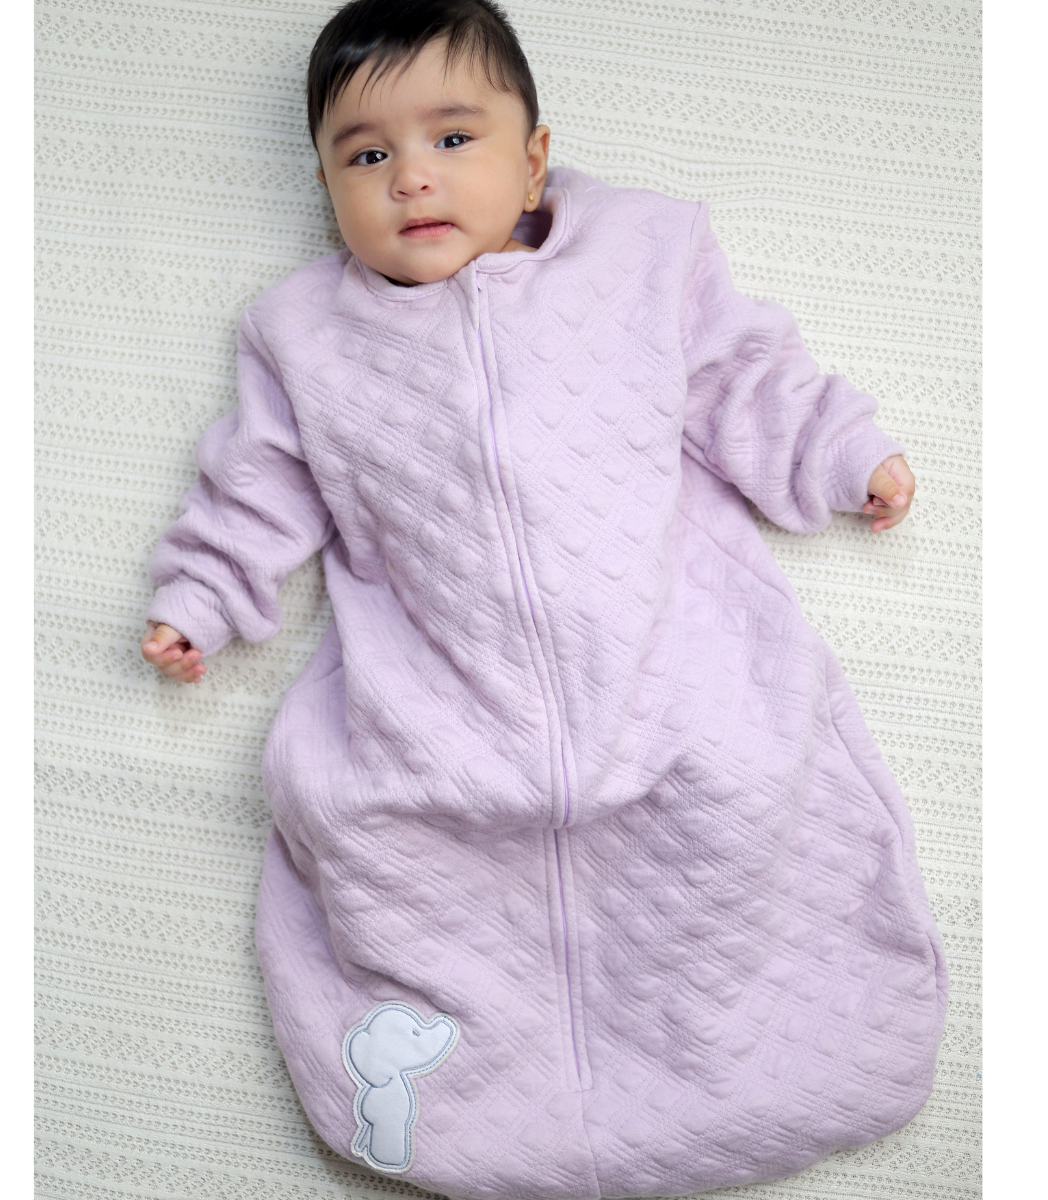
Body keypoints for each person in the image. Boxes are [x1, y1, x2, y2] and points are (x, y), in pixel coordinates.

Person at [140, 2, 945, 1196]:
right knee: (378, 833)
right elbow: (257, 484)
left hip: (670, 681)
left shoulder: (643, 261)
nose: (411, 176)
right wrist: (202, 594)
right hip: (436, 713)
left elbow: (744, 377)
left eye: (452, 138)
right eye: (366, 155)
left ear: (533, 158)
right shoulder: (305, 337)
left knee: (741, 804)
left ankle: (773, 1069)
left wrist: (843, 454)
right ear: (326, 189)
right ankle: (463, 1099)